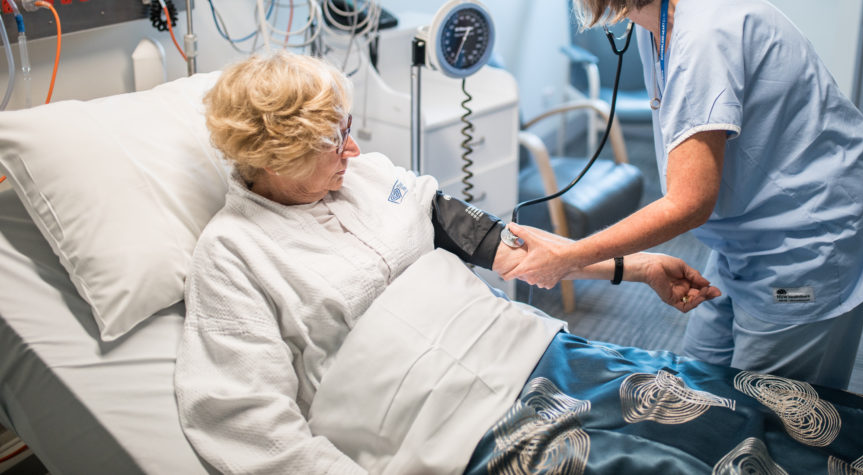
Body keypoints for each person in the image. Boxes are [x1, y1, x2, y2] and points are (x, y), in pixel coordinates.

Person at [173, 51, 719, 474]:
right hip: (438, 426)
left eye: (349, 127)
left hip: (525, 352)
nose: (355, 150)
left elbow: (506, 248)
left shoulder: (372, 177)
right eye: (335, 141)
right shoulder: (234, 257)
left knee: (710, 413)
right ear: (279, 159)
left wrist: (637, 266)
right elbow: (249, 423)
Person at [502, 0, 863, 391]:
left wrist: (572, 257)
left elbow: (689, 203)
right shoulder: (658, 22)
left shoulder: (702, 38)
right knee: (701, 381)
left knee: (770, 415)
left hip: (808, 238)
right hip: (747, 234)